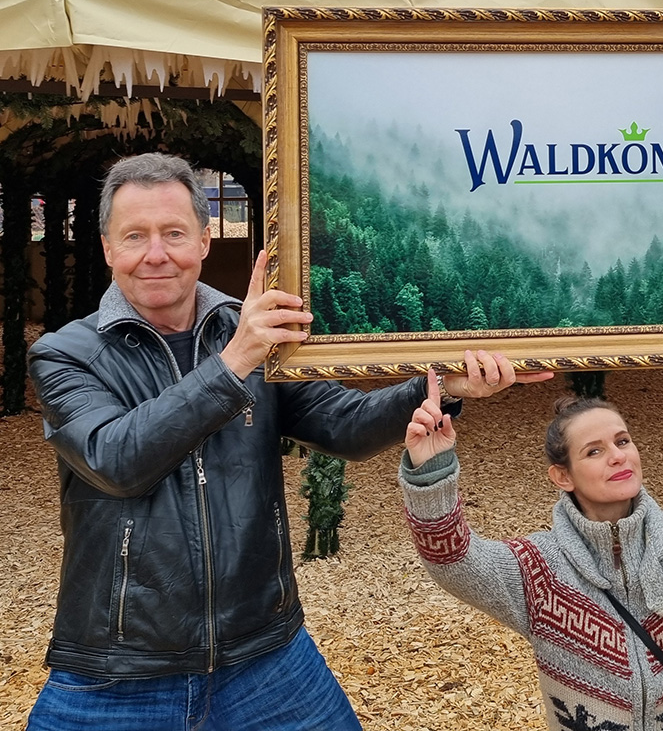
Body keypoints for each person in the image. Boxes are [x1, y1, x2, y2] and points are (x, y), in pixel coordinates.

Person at [25, 152, 551, 731]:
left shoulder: (254, 336)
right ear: (107, 248)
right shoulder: (67, 354)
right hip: (114, 670)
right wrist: (235, 362)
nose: (156, 253)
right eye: (135, 236)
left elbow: (345, 424)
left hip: (266, 656)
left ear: (204, 240)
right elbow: (117, 459)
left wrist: (440, 386)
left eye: (174, 233)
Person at [399, 341, 663, 731]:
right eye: (594, 450)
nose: (618, 456)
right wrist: (432, 473)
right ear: (561, 475)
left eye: (622, 440)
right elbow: (454, 561)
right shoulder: (536, 573)